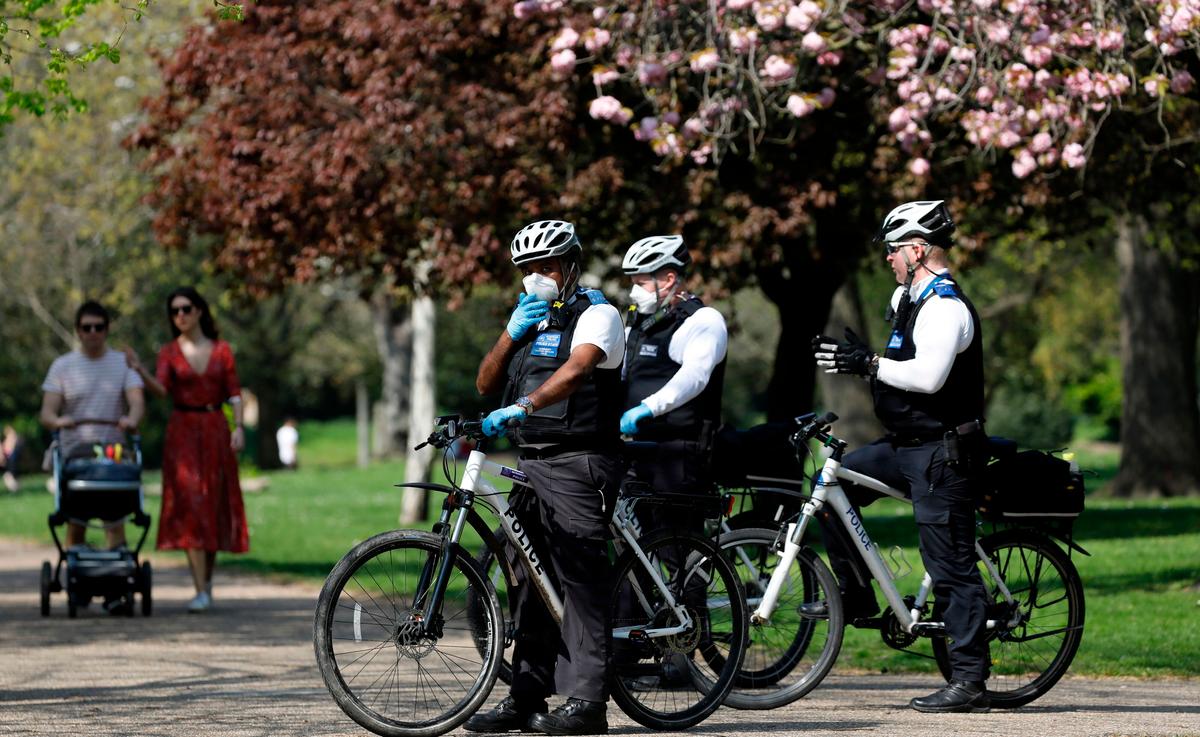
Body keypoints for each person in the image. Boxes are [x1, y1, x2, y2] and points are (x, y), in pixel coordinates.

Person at [810, 200, 990, 713]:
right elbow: (896, 365)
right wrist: (860, 362)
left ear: (917, 250)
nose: (886, 257)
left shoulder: (944, 306)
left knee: (950, 564)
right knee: (830, 489)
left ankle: (970, 679)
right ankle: (857, 596)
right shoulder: (909, 299)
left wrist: (868, 363)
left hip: (942, 451)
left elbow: (927, 378)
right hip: (904, 445)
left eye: (892, 249)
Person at [467, 220, 624, 736]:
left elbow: (578, 370)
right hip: (532, 463)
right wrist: (510, 331)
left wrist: (525, 405)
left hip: (580, 460)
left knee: (580, 580)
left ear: (571, 266)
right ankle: (525, 697)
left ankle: (588, 705)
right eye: (528, 269)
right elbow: (486, 381)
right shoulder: (530, 322)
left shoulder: (598, 315)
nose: (538, 276)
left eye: (547, 267)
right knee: (529, 583)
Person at [618, 235, 728, 681]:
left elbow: (694, 378)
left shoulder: (702, 321)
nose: (634, 289)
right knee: (633, 548)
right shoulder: (639, 321)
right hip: (636, 451)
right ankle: (630, 649)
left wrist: (646, 409)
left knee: (677, 554)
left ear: (668, 278)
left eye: (642, 279)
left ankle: (681, 657)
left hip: (680, 452)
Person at [124, 287, 248, 614]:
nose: (180, 315)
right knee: (192, 506)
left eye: (186, 308)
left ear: (199, 311)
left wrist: (238, 428)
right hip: (182, 434)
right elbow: (162, 390)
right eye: (175, 310)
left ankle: (205, 584)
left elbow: (234, 393)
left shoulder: (222, 351)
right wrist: (139, 369)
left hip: (215, 431)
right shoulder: (168, 352)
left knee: (213, 505)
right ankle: (200, 589)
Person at [40, 301, 145, 550]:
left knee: (115, 519)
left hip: (113, 454)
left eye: (99, 327)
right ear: (78, 331)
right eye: (87, 328)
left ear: (107, 330)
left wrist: (132, 420)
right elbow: (46, 412)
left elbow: (137, 402)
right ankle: (76, 567)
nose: (93, 333)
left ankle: (118, 569)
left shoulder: (123, 364)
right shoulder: (62, 366)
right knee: (76, 521)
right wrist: (58, 420)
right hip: (75, 454)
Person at [2, 425, 22, 492]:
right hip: (8, 460)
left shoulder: (15, 439)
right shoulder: (7, 440)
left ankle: (14, 485)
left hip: (11, 460)